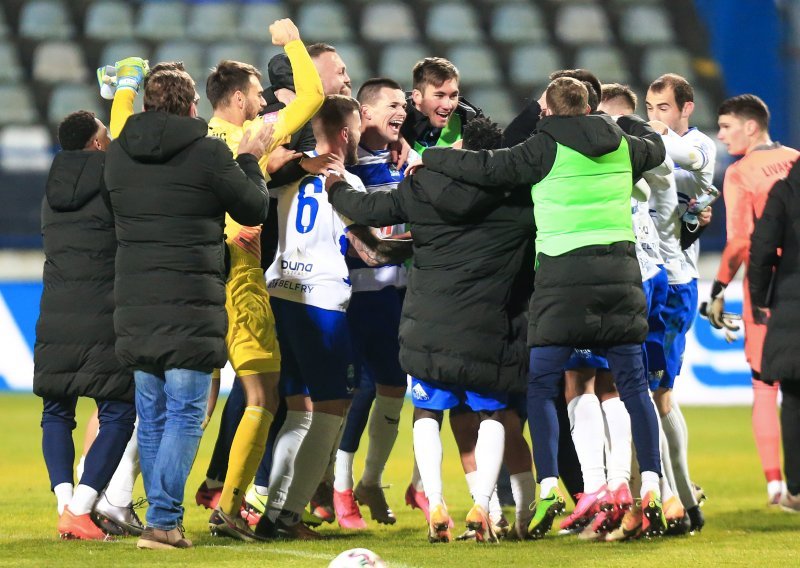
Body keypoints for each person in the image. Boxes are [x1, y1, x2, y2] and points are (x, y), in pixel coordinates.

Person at [420, 77, 668, 539]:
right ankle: (650, 483)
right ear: (592, 108)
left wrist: (428, 157)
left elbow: (486, 169)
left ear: (548, 112)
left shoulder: (542, 148)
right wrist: (627, 120)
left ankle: (550, 484)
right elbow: (655, 144)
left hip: (561, 283)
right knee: (633, 387)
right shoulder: (622, 144)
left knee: (541, 386)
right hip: (620, 280)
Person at [326, 116, 533, 543]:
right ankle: (482, 504)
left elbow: (370, 210)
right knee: (491, 413)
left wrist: (337, 189)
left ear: (460, 149)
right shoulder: (519, 203)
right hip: (488, 325)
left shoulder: (424, 188)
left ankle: (436, 501)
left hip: (428, 323)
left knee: (427, 412)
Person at [104, 66, 272, 550]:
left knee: (153, 415)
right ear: (190, 105)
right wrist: (248, 160)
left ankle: (161, 517)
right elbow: (252, 210)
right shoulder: (209, 153)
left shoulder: (118, 155)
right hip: (191, 304)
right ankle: (162, 520)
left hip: (135, 302)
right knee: (182, 414)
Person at [253, 95, 411, 540]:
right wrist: (432, 241)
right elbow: (372, 249)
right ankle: (287, 516)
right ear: (346, 133)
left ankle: (268, 507)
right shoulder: (346, 183)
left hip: (278, 293)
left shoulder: (287, 175)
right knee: (331, 410)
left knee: (298, 411)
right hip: (320, 303)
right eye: (358, 128)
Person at [198, 18, 325, 542]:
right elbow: (313, 95)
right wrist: (291, 42)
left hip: (198, 276)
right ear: (236, 99)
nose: (261, 103)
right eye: (254, 94)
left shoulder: (195, 139)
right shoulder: (252, 136)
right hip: (242, 275)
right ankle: (228, 508)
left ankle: (118, 499)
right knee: (262, 395)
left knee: (189, 403)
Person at [34, 110, 136, 541]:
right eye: (106, 134)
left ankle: (64, 502)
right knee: (119, 410)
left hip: (55, 309)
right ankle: (80, 508)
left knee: (56, 412)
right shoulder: (114, 184)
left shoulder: (50, 189)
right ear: (96, 144)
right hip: (103, 312)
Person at [331, 78, 415, 529]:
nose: (401, 112)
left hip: (399, 291)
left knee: (393, 388)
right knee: (357, 390)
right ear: (362, 115)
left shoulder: (407, 158)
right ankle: (340, 489)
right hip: (355, 292)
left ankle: (369, 480)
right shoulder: (346, 166)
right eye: (392, 106)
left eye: (404, 106)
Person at [710, 94, 799, 504]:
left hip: (767, 287)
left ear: (750, 126)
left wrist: (719, 286)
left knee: (765, 384)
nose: (721, 135)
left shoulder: (740, 172)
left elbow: (741, 241)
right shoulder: (796, 160)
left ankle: (776, 485)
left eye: (726, 126)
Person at [645, 73, 717, 532]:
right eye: (650, 109)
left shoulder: (700, 147)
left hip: (676, 284)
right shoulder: (652, 141)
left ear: (686, 108)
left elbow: (679, 155)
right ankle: (672, 496)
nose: (656, 117)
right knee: (646, 394)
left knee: (657, 393)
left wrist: (636, 131)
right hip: (649, 279)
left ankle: (683, 498)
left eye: (664, 108)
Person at [749, 159, 800, 513]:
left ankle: (796, 491)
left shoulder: (785, 190)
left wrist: (760, 298)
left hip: (792, 305)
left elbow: (762, 249)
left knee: (795, 398)